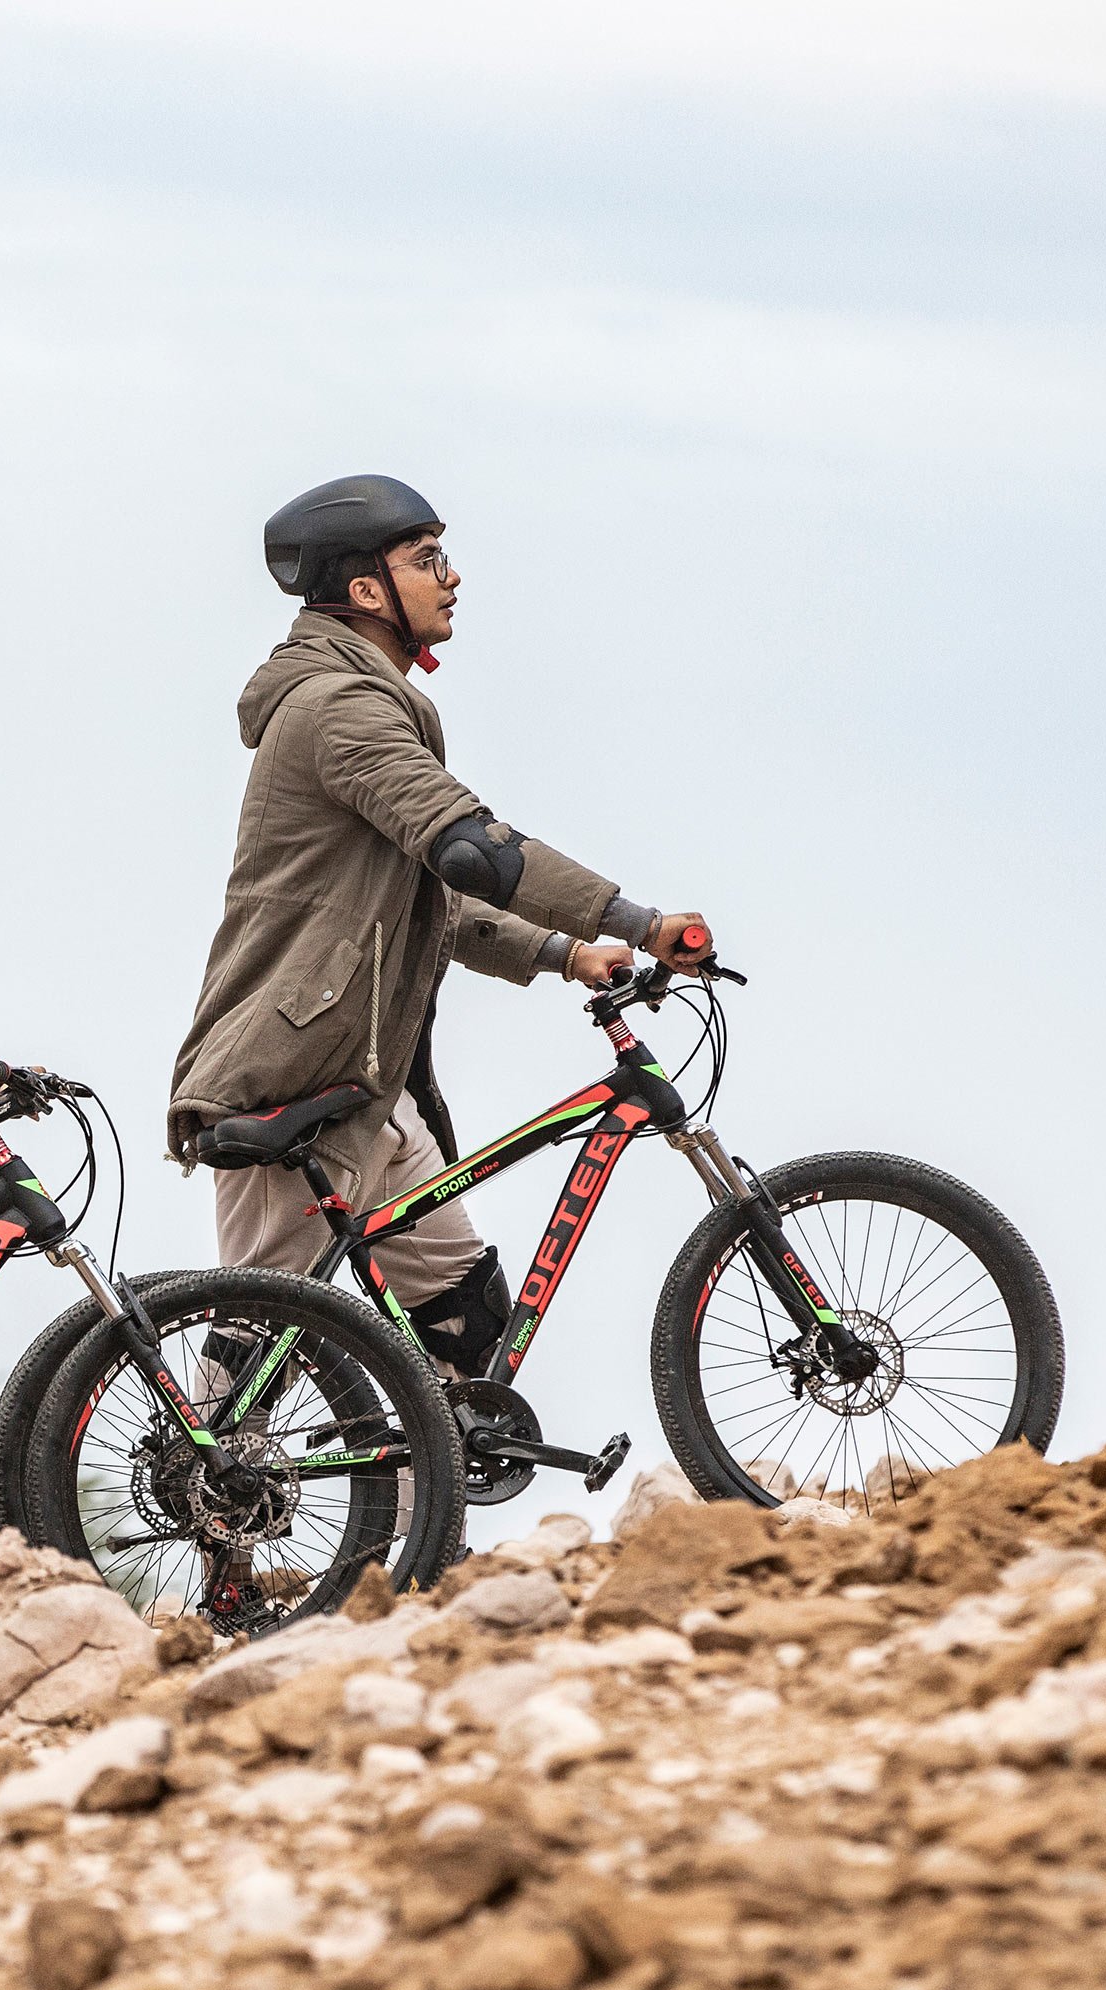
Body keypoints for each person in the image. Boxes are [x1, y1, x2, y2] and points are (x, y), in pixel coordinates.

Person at [165, 475, 708, 1377]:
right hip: (290, 1078)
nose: (452, 578)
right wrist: (641, 921)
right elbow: (470, 852)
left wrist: (570, 951)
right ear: (367, 591)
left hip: (366, 1090)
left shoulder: (359, 696)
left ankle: (428, 1519)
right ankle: (201, 1510)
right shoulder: (337, 707)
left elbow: (435, 899)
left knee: (463, 1332)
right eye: (428, 561)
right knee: (249, 1360)